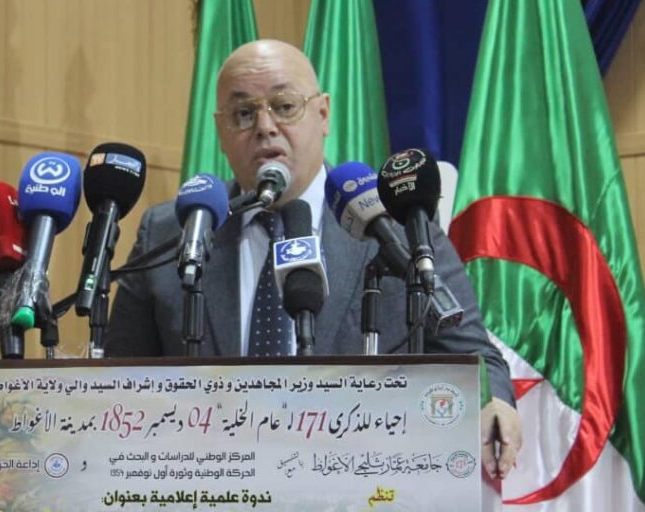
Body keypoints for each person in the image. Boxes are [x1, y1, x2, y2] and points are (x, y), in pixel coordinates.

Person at [105, 39, 521, 479]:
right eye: (243, 114)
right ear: (221, 132)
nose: (265, 127)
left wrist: (493, 401)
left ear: (323, 115)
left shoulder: (395, 224)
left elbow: (475, 357)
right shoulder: (175, 230)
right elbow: (119, 379)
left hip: (358, 485)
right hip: (212, 484)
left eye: (285, 106)